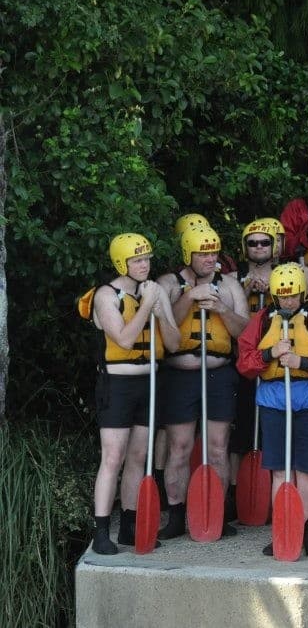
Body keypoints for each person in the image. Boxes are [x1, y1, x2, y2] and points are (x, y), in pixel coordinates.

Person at [236, 263, 308, 557]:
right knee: (281, 472)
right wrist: (269, 354)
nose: (288, 302)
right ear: (274, 295)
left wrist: (304, 363)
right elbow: (245, 362)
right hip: (274, 402)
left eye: (293, 296)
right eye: (282, 296)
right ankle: (283, 529)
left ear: (302, 293)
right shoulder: (262, 320)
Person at [88, 234, 180, 554]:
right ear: (121, 263)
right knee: (113, 457)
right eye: (137, 260)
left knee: (139, 458)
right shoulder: (106, 295)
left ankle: (129, 526)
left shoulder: (154, 292)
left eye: (146, 259)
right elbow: (125, 340)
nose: (144, 265)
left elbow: (173, 344)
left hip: (148, 383)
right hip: (117, 385)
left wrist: (159, 311)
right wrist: (145, 307)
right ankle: (101, 531)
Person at [156, 225, 250, 539]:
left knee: (219, 448)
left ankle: (217, 512)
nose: (210, 259)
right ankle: (176, 514)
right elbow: (164, 327)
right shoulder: (169, 284)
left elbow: (244, 334)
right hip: (180, 376)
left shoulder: (231, 286)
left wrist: (222, 308)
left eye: (213, 252)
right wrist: (190, 297)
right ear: (188, 254)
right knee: (180, 448)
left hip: (218, 374)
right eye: (203, 253)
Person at [225, 218, 283, 520]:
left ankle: (271, 492)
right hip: (244, 365)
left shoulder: (287, 275)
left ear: (274, 247)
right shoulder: (233, 279)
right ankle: (236, 492)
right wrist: (245, 292)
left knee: (271, 431)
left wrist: (271, 293)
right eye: (252, 242)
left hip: (276, 364)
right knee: (240, 432)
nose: (258, 248)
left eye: (264, 242)